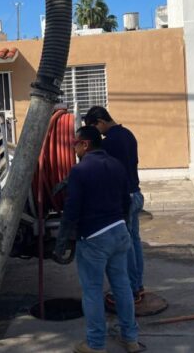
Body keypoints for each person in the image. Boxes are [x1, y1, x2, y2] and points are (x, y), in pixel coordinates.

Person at [54, 126, 145, 353]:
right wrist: (122, 223)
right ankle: (131, 339)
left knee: (92, 291)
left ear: (85, 144)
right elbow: (126, 202)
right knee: (122, 286)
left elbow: (72, 209)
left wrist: (62, 241)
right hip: (119, 233)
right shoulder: (116, 165)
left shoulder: (80, 171)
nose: (74, 148)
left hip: (94, 238)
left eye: (75, 144)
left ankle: (95, 345)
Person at [83, 106, 145, 304]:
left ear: (100, 121)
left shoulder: (109, 143)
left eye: (95, 127)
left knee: (125, 247)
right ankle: (138, 285)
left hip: (124, 198)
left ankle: (131, 290)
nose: (96, 132)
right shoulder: (128, 134)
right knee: (134, 241)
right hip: (136, 193)